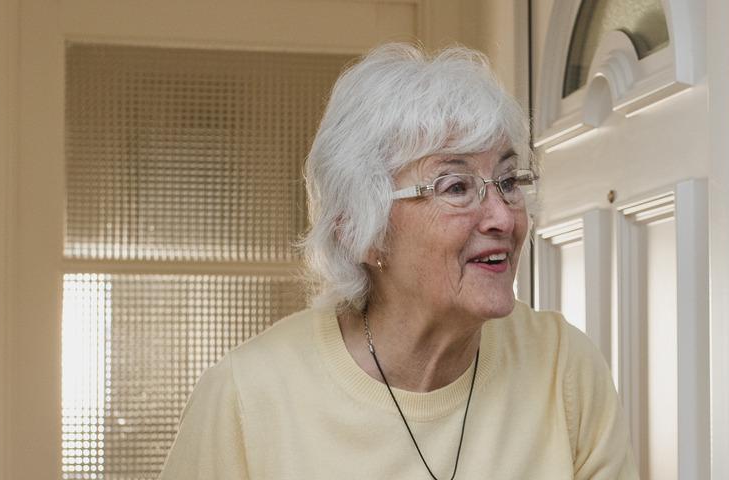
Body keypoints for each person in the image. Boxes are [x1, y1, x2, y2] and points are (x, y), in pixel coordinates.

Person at [161, 43, 638, 479]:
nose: (502, 217)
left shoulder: (563, 367)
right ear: (360, 234)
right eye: (455, 187)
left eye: (509, 181)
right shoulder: (248, 396)